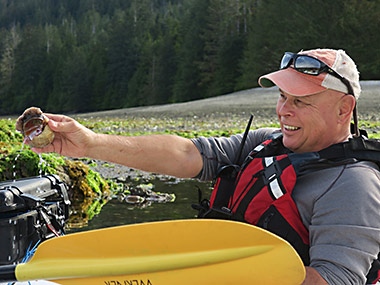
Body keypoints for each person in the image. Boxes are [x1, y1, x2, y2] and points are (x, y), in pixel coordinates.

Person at [30, 48, 380, 284]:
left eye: (300, 102)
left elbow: (336, 280)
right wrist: (91, 143)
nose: (284, 111)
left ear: (343, 108)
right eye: (282, 97)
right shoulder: (269, 142)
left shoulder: (354, 186)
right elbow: (186, 154)